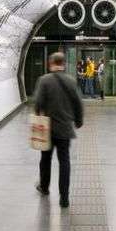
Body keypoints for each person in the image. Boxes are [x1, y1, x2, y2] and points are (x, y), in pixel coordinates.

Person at [33, 52, 84, 207]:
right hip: (64, 129)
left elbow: (38, 103)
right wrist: (78, 121)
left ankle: (44, 187)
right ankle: (64, 198)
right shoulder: (71, 81)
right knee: (64, 162)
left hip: (47, 128)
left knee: (45, 159)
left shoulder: (44, 80)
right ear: (63, 64)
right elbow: (78, 103)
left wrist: (39, 116)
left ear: (51, 64)